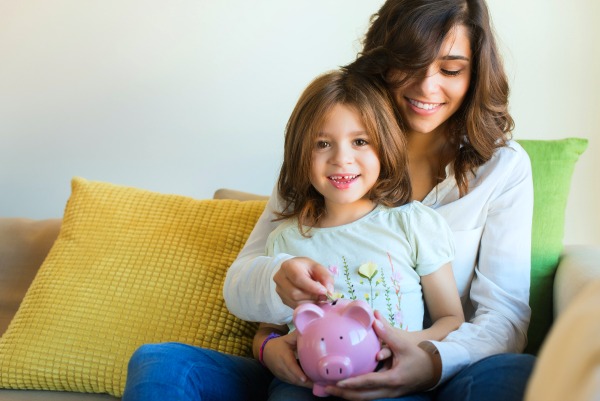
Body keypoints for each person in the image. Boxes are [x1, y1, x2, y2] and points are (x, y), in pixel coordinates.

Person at [224, 0, 536, 400]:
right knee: (166, 362)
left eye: (451, 69)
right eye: (411, 63)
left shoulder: (502, 168)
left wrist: (431, 361)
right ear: (383, 60)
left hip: (450, 371)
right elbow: (242, 281)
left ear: (475, 74)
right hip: (315, 370)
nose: (427, 86)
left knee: (519, 374)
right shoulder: (329, 162)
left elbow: (503, 317)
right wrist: (267, 337)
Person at [255, 68, 464, 400]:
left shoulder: (412, 224)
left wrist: (402, 342)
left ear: (384, 146)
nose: (341, 159)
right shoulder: (285, 240)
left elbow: (451, 319)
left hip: (395, 383)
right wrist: (268, 350)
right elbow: (269, 329)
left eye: (360, 142)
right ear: (300, 153)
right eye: (322, 143)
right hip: (310, 386)